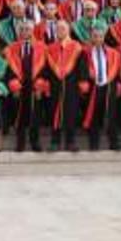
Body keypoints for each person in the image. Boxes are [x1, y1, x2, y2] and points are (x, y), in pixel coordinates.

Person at [4, 21, 50, 153]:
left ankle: (35, 141)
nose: (25, 32)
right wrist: (13, 83)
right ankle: (20, 142)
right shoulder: (11, 48)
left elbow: (46, 68)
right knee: (19, 114)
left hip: (35, 86)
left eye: (28, 29)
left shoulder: (42, 47)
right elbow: (7, 69)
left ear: (32, 31)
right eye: (22, 29)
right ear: (19, 32)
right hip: (18, 86)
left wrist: (41, 84)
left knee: (35, 114)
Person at [46, 21, 84, 153]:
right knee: (54, 112)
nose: (60, 30)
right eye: (58, 28)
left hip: (71, 85)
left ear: (68, 30)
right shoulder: (50, 48)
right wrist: (45, 83)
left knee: (70, 113)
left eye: (63, 28)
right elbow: (46, 69)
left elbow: (81, 67)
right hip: (55, 85)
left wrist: (82, 81)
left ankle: (70, 142)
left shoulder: (76, 46)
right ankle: (55, 141)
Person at [81, 26, 121, 152]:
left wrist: (118, 84)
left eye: (100, 36)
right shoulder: (85, 53)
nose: (97, 39)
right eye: (95, 36)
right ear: (91, 38)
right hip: (93, 88)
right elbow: (81, 70)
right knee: (94, 117)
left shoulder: (113, 53)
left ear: (104, 38)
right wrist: (85, 81)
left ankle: (114, 143)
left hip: (109, 87)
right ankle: (94, 144)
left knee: (111, 115)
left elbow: (118, 70)